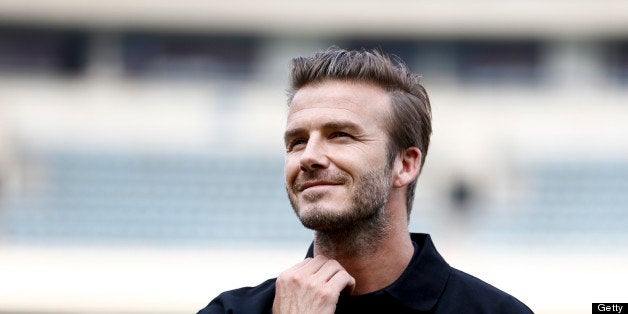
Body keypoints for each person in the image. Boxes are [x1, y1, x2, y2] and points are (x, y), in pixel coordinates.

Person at [198, 48, 532, 314]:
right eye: (297, 141)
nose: (308, 156)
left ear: (405, 164)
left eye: (340, 135)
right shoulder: (231, 310)